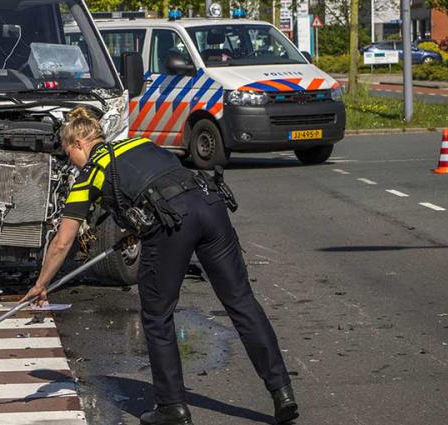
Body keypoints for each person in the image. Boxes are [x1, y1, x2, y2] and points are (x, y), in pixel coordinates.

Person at [20, 107, 298, 425]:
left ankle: (172, 408)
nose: (73, 163)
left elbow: (62, 242)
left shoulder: (90, 174)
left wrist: (41, 284)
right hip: (209, 204)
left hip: (174, 225)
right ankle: (282, 392)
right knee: (241, 302)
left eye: (71, 155)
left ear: (80, 143)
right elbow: (156, 183)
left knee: (157, 316)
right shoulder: (139, 143)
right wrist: (134, 229)